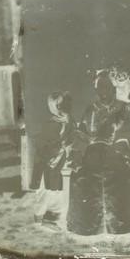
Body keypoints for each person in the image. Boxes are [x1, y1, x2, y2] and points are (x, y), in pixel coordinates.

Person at [66, 70, 130, 235]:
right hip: (94, 150)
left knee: (118, 174)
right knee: (83, 175)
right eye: (99, 86)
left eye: (106, 86)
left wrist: (120, 147)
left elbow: (127, 131)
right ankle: (88, 226)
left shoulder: (123, 108)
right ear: (95, 89)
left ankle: (117, 226)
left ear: (114, 87)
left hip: (118, 148)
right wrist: (76, 154)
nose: (103, 89)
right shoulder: (90, 109)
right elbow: (83, 133)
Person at [30, 91, 77, 230]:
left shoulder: (70, 121)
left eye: (66, 104)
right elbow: (42, 145)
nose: (64, 107)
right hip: (51, 160)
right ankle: (45, 218)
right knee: (49, 188)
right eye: (60, 105)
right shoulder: (52, 123)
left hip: (64, 159)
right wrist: (59, 147)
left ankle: (55, 218)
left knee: (60, 189)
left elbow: (74, 136)